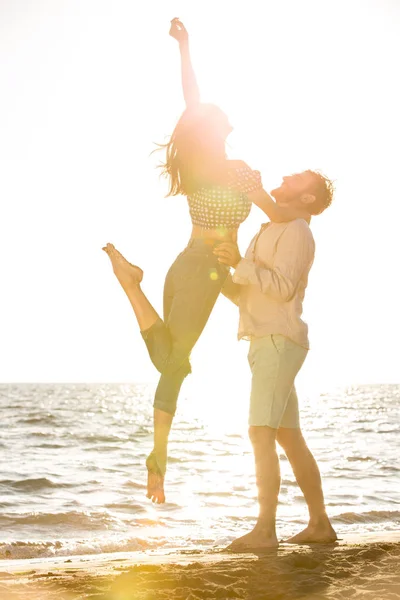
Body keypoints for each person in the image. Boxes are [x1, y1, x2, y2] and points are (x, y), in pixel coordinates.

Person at [103, 18, 308, 504]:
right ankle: (158, 458)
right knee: (172, 362)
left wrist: (186, 46)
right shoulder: (240, 175)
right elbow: (278, 214)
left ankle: (158, 457)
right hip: (208, 270)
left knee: (171, 360)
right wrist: (300, 210)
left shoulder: (197, 168)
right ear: (225, 130)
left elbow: (191, 98)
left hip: (187, 263)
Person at [214, 171, 337, 548]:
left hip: (279, 340)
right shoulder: (268, 230)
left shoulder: (298, 230)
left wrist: (239, 262)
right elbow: (249, 293)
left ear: (308, 200)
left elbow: (282, 289)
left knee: (260, 433)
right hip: (264, 339)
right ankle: (320, 525)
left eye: (296, 178)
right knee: (288, 436)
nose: (285, 176)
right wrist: (222, 274)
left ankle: (265, 530)